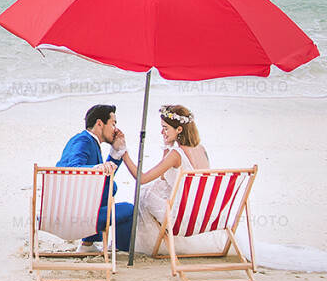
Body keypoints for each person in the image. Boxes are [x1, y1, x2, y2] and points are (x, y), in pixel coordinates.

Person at [114, 104, 218, 254]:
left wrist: (123, 151)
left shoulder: (177, 154)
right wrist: (166, 146)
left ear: (179, 130)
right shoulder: (201, 150)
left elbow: (142, 178)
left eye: (165, 128)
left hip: (180, 220)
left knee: (145, 194)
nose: (162, 131)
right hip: (199, 216)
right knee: (152, 191)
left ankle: (155, 244)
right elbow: (164, 177)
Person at [56, 104, 135, 252]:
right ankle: (121, 249)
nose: (116, 129)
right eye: (113, 124)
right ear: (100, 123)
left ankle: (88, 245)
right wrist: (95, 168)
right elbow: (73, 169)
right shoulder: (83, 141)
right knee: (130, 209)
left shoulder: (89, 142)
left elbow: (102, 181)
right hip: (74, 218)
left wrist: (117, 152)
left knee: (107, 189)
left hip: (72, 213)